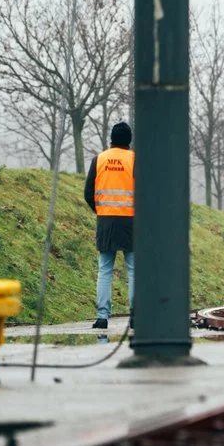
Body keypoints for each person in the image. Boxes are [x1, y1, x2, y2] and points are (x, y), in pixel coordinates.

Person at [84, 122, 135, 329]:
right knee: (133, 271)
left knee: (104, 270)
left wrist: (102, 211)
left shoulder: (99, 160)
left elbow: (88, 193)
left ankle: (102, 317)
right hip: (132, 221)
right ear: (129, 140)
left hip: (106, 222)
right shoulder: (135, 160)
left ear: (111, 139)